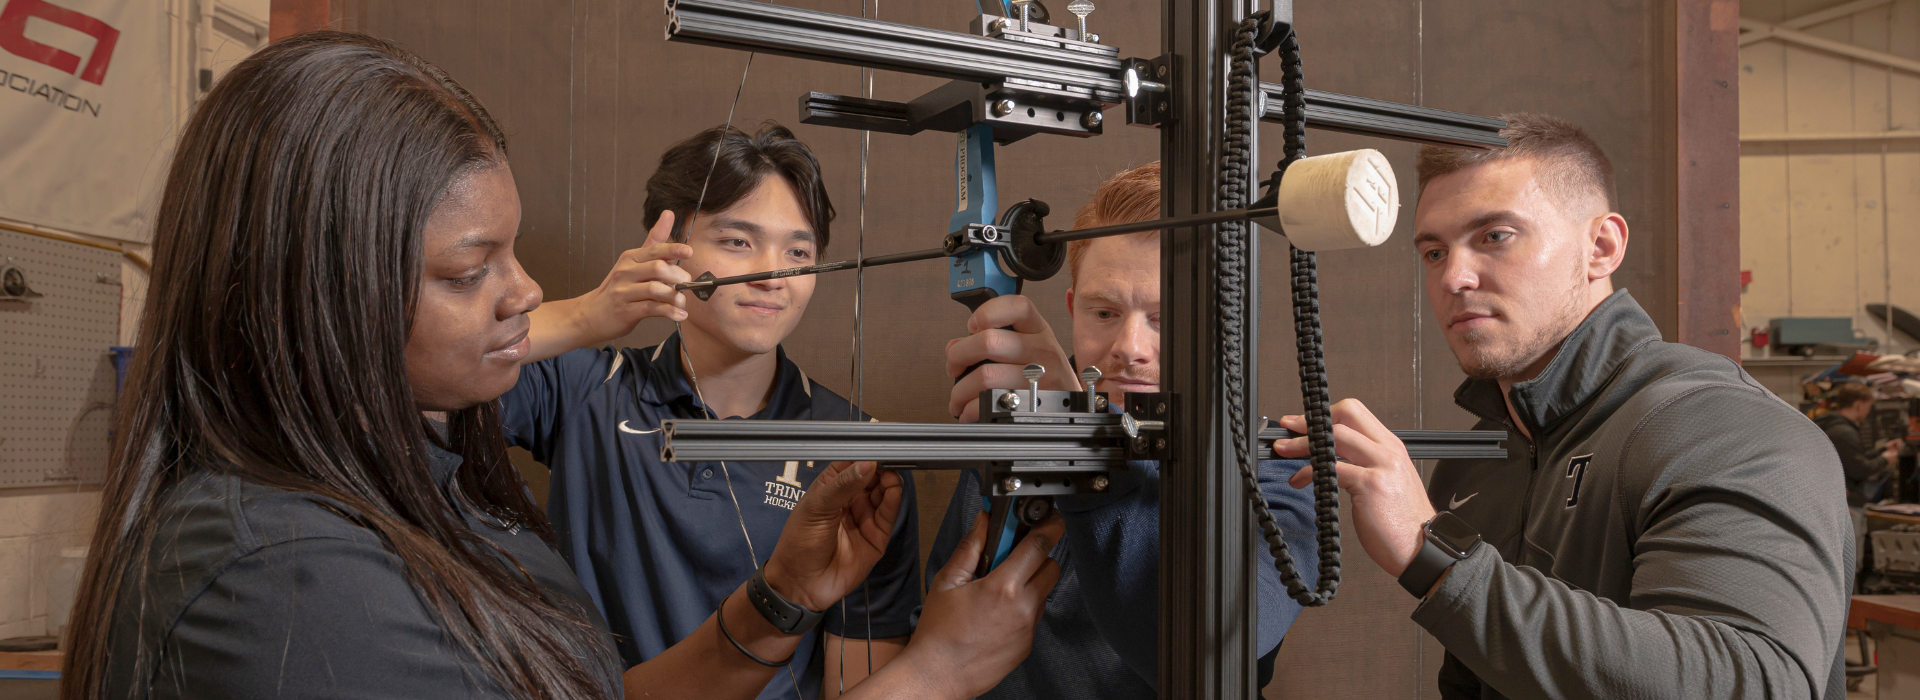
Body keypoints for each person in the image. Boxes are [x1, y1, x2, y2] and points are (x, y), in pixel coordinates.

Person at [61, 32, 1058, 700]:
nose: (523, 293)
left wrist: (784, 594)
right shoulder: (292, 578)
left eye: (797, 251)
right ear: (318, 293)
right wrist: (933, 675)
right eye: (468, 267)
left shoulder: (848, 442)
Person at [1272, 113, 1853, 699]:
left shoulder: (1722, 427)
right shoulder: (1477, 464)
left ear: (1601, 246)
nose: (1455, 277)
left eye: (1494, 236)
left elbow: (1749, 682)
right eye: (1433, 252)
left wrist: (1433, 555)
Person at [506, 123, 921, 699]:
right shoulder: (584, 386)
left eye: (798, 251)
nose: (775, 275)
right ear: (668, 244)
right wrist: (584, 316)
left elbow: (860, 683)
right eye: (738, 241)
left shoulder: (861, 453)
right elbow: (381, 374)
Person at [929, 161, 1321, 699]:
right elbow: (941, 616)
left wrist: (1082, 437)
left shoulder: (1280, 463)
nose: (1129, 348)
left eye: (1165, 317)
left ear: (1223, 323)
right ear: (1072, 309)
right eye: (1105, 313)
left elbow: (1205, 651)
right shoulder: (1028, 420)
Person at [1815, 381, 1902, 569]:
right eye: (1869, 406)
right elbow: (1858, 469)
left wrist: (1882, 451)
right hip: (1849, 505)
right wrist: (1886, 460)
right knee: (1850, 563)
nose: (1869, 411)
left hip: (1837, 503)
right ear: (1859, 405)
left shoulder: (1833, 427)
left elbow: (1854, 458)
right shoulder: (1845, 432)